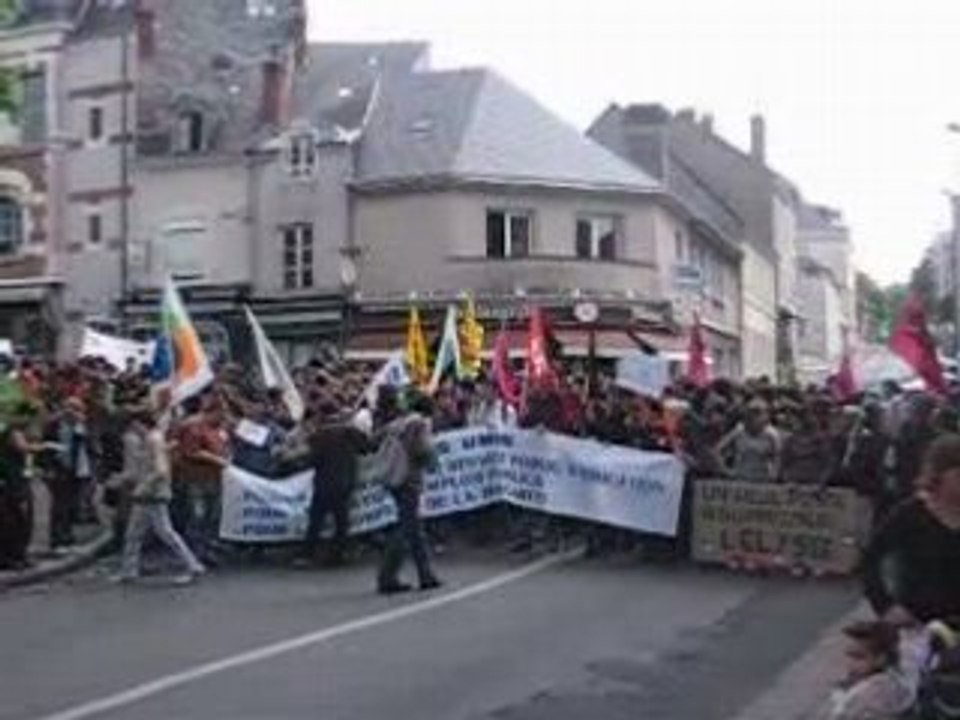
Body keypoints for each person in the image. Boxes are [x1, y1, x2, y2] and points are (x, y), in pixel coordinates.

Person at [862, 433, 960, 626]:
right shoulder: (909, 514)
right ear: (939, 474)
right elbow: (870, 559)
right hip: (920, 626)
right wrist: (886, 606)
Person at [113, 407, 205, 585]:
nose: (134, 430)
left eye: (135, 426)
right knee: (135, 533)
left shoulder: (152, 440)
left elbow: (160, 470)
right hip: (150, 493)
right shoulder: (155, 438)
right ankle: (128, 571)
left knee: (164, 533)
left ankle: (193, 565)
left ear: (140, 423)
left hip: (152, 494)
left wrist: (143, 486)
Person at [374, 390, 442, 595]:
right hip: (409, 479)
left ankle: (424, 574)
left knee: (413, 530)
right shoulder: (419, 424)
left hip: (396, 478)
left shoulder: (399, 423)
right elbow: (421, 450)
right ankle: (389, 576)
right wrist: (432, 459)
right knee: (407, 529)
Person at [296, 403, 373, 567]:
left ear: (322, 415)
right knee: (341, 520)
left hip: (325, 483)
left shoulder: (318, 436)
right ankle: (339, 554)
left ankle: (307, 554)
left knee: (316, 520)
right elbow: (367, 448)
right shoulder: (350, 432)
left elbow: (312, 461)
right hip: (346, 481)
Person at [818, 621, 913, 720]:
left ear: (881, 658)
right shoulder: (892, 676)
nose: (850, 663)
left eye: (858, 657)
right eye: (848, 655)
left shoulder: (874, 690)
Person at [43, 396, 94, 548]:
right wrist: (48, 468)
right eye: (73, 408)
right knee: (60, 506)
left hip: (77, 469)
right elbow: (47, 446)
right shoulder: (54, 424)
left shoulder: (80, 425)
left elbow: (87, 443)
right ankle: (57, 540)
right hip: (59, 468)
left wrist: (80, 425)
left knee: (72, 505)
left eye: (79, 409)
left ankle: (67, 537)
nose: (75, 413)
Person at [0, 404, 42, 570]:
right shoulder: (11, 432)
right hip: (12, 482)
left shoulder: (19, 431)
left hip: (19, 480)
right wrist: (41, 447)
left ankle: (19, 553)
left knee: (23, 519)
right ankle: (11, 555)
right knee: (14, 520)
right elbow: (22, 447)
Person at [718, 399, 781, 483]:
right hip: (740, 477)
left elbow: (778, 455)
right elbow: (717, 450)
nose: (754, 416)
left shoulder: (772, 434)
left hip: (763, 479)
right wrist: (726, 470)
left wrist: (774, 473)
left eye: (758, 413)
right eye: (752, 412)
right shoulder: (738, 430)